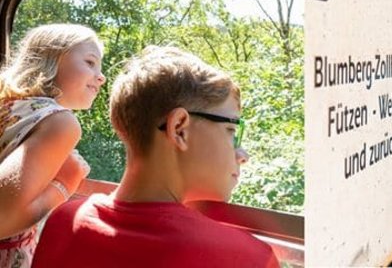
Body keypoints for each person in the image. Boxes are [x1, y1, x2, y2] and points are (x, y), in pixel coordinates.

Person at [32, 46, 280, 268]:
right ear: (179, 128)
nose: (242, 154)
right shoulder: (249, 258)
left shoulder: (64, 222)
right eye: (232, 131)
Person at [0, 23, 105, 267]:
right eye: (90, 62)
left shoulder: (9, 105)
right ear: (51, 59)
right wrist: (65, 184)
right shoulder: (60, 122)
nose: (101, 76)